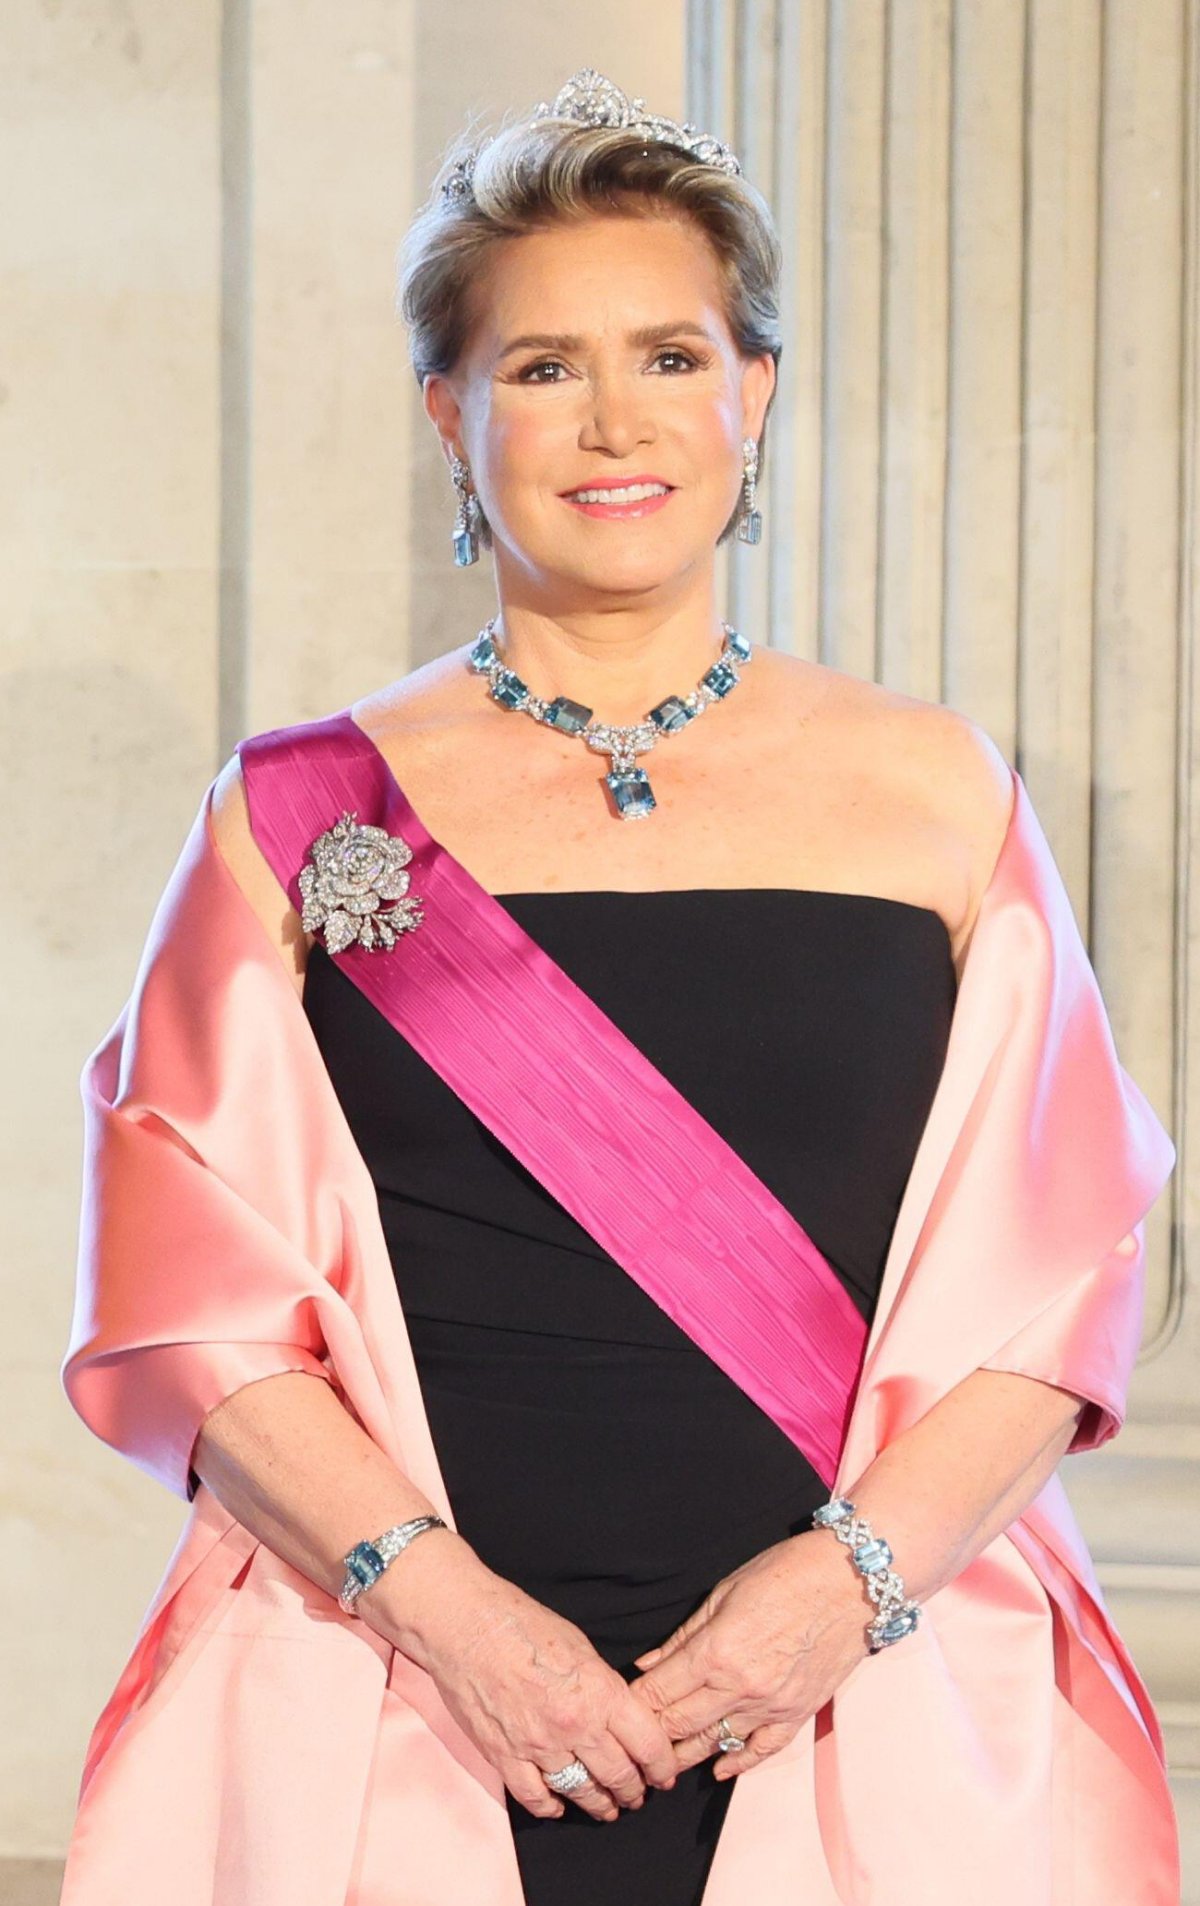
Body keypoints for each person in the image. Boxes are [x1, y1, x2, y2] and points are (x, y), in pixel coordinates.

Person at [59, 67, 1179, 1906]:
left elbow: (1061, 1287)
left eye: (670, 354)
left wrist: (839, 1597)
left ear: (756, 391)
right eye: (540, 364)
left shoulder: (937, 794)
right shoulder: (297, 813)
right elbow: (188, 1308)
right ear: (448, 410)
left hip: (854, 1698)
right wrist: (462, 1627)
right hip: (404, 1698)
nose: (611, 420)